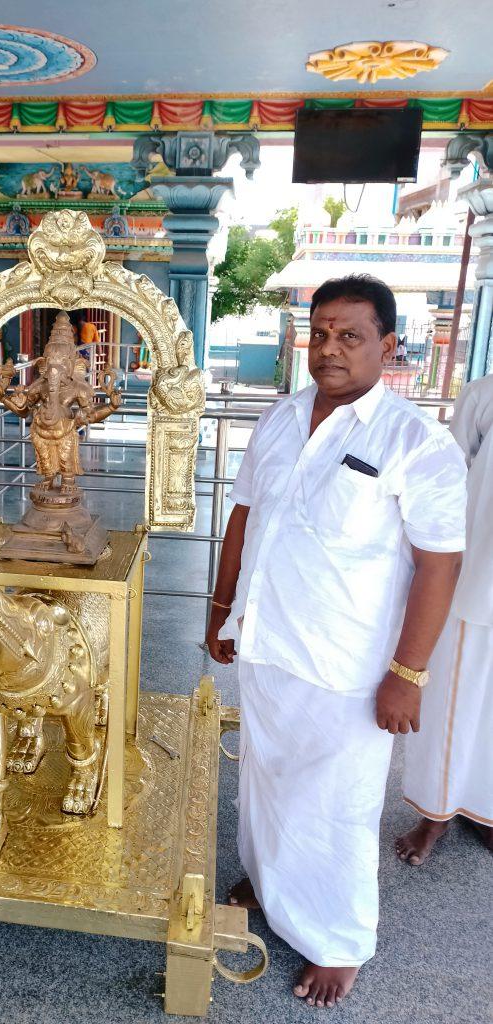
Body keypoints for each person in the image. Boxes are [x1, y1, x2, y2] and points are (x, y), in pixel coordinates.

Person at [205, 274, 467, 1007]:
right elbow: (244, 515)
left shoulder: (416, 442)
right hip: (267, 643)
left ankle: (339, 941)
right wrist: (221, 607)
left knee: (338, 805)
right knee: (264, 780)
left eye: (349, 336)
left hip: (347, 660)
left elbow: (439, 562)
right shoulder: (281, 419)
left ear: (386, 346)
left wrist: (406, 674)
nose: (329, 349)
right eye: (318, 333)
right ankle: (268, 880)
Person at [398, 370, 493, 863]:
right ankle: (436, 814)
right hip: (478, 573)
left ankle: (485, 808)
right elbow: (451, 476)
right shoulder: (485, 394)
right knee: (453, 703)